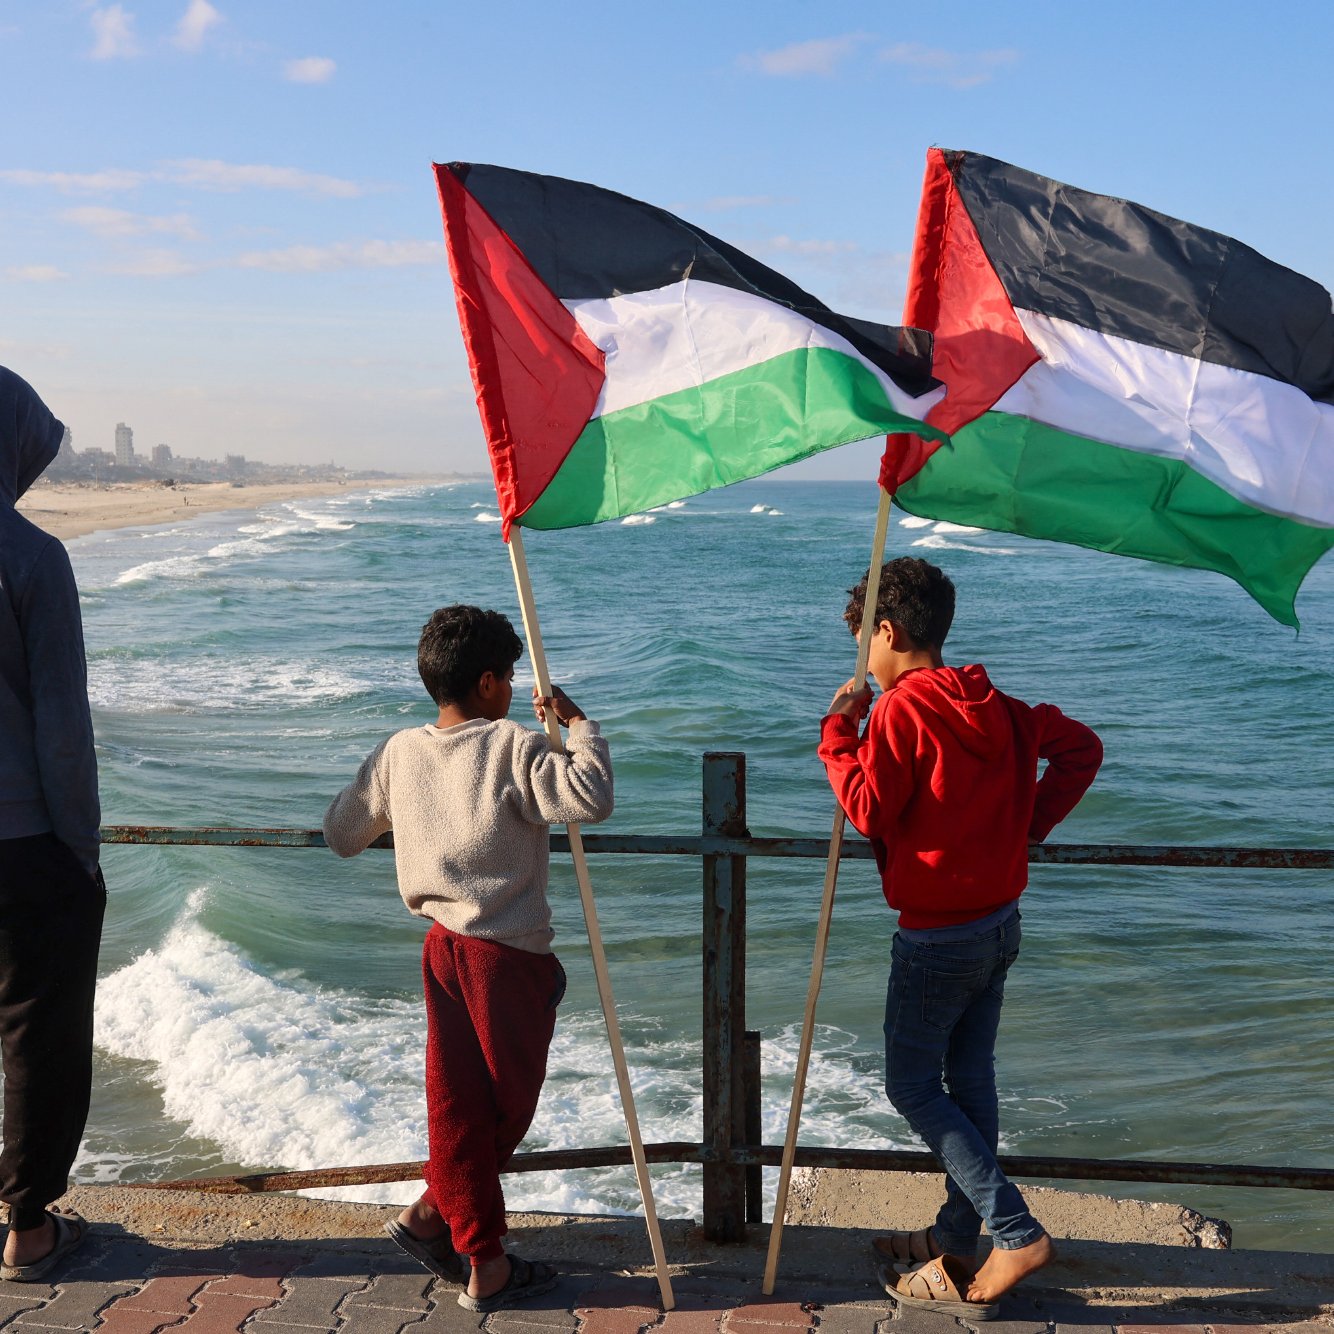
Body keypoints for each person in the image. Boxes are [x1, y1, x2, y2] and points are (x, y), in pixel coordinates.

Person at [819, 557, 1102, 1319]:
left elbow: (871, 809)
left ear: (888, 631)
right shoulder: (1004, 707)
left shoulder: (901, 712)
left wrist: (838, 732)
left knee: (912, 1086)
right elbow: (1083, 750)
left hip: (937, 938)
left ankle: (1013, 1229)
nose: (862, 664)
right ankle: (957, 1233)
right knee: (970, 1079)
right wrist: (1027, 825)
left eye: (862, 646)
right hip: (997, 924)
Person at [323, 605, 613, 1312]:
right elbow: (590, 798)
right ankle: (482, 1261)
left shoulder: (401, 751)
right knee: (501, 1112)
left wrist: (414, 812)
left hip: (440, 947)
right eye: (509, 676)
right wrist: (581, 728)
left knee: (457, 1104)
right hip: (505, 953)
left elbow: (341, 832)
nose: (514, 688)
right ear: (488, 683)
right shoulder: (514, 745)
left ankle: (434, 1218)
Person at [0, 367, 105, 1281]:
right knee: (39, 1028)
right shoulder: (33, 559)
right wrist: (83, 853)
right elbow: (62, 732)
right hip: (25, 841)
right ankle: (27, 1226)